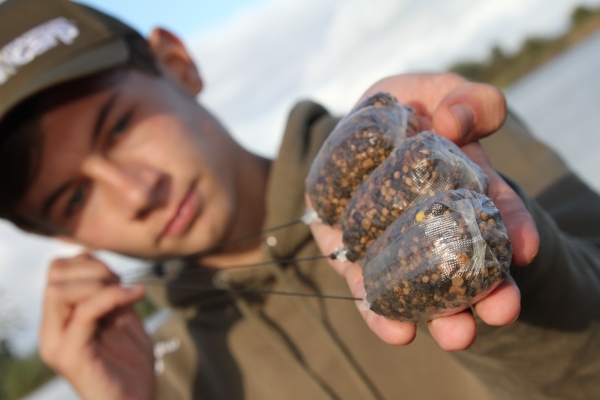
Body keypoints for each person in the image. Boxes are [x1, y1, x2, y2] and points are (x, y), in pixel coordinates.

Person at [1, 0, 599, 399]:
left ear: (177, 64)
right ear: (56, 233)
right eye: (75, 196)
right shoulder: (163, 378)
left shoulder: (437, 142)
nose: (136, 192)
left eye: (118, 126)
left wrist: (515, 275)